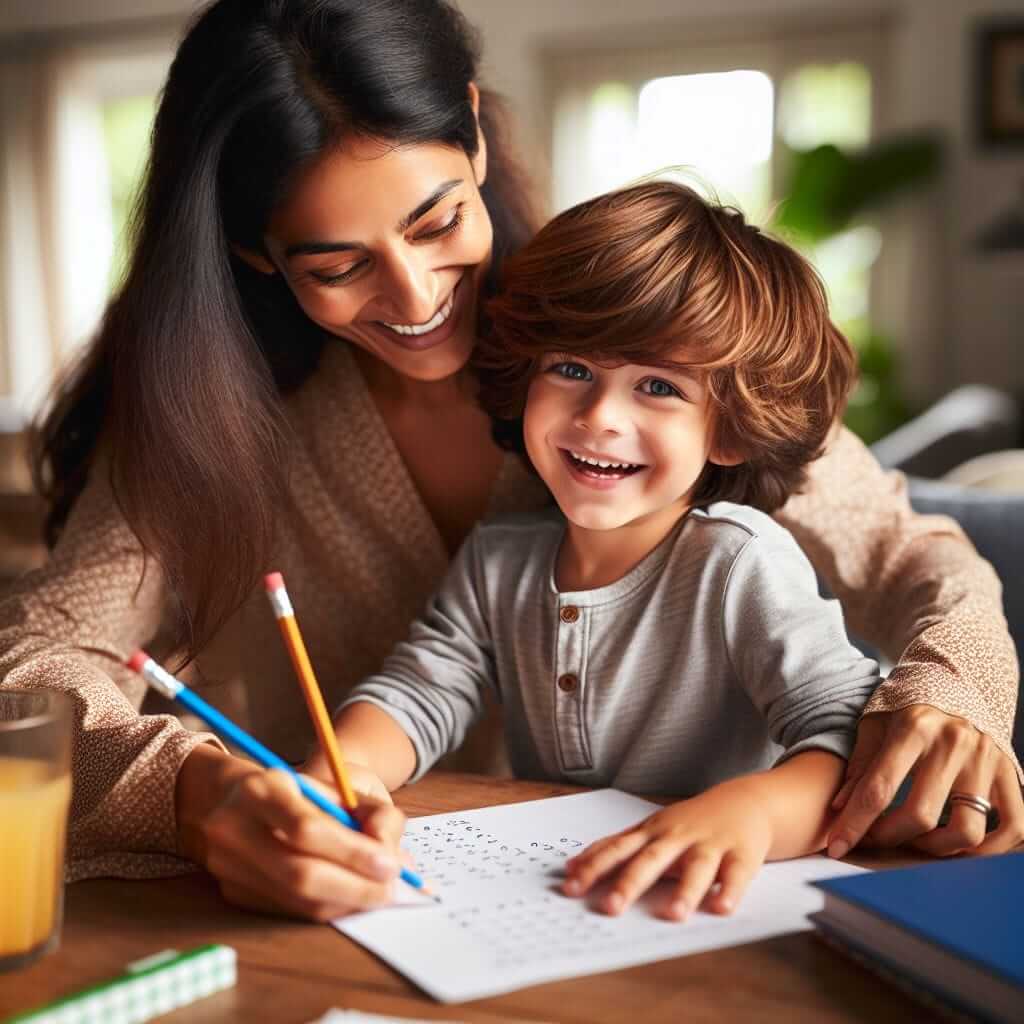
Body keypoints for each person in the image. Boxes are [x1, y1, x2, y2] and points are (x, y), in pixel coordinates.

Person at [1, 0, 1018, 923]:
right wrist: (195, 789)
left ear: (475, 133)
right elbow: (34, 673)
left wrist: (943, 696)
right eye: (336, 265)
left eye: (436, 218)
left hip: (669, 910)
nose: (411, 297)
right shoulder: (208, 419)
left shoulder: (637, 317)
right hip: (374, 912)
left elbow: (910, 561)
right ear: (259, 255)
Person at [317, 180, 882, 918]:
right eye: (572, 370)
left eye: (658, 387)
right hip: (557, 898)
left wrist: (749, 812)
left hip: (714, 907)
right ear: (527, 377)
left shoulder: (740, 561)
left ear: (730, 430)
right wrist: (343, 773)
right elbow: (419, 694)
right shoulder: (497, 563)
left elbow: (846, 739)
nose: (601, 416)